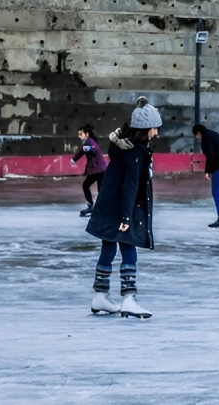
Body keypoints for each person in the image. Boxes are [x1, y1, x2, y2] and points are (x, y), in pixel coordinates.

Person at [85, 96, 161, 319]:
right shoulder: (136, 152)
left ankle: (100, 295)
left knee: (108, 247)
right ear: (146, 128)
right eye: (154, 128)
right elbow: (130, 186)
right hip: (121, 209)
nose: (156, 133)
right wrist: (127, 218)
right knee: (129, 249)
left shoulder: (124, 148)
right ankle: (128, 299)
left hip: (108, 206)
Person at [192, 124, 219, 229]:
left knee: (216, 192)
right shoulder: (214, 134)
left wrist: (208, 171)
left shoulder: (205, 138)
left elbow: (210, 155)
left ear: (198, 133)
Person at [71, 124, 107, 217]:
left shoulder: (90, 142)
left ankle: (97, 207)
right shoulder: (86, 142)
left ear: (86, 134)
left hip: (99, 169)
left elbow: (95, 149)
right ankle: (92, 206)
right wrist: (74, 159)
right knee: (89, 186)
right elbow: (81, 151)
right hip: (98, 169)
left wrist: (89, 149)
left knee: (91, 187)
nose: (79, 136)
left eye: (81, 134)